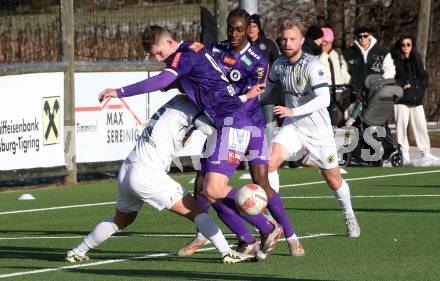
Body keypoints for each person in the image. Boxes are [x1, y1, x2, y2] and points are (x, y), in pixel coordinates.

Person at [97, 25, 282, 259]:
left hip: (233, 123)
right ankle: (247, 239)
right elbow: (202, 82)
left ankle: (268, 226)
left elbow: (162, 79)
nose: (157, 58)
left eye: (157, 53)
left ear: (169, 43)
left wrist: (119, 91)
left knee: (213, 189)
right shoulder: (192, 50)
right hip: (226, 122)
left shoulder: (184, 55)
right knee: (207, 190)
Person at [66, 95, 255, 264]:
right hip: (147, 174)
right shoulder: (191, 108)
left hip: (128, 168)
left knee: (121, 221)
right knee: (198, 212)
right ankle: (226, 252)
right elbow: (215, 129)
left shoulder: (176, 101)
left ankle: (77, 251)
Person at [178, 9, 304, 258]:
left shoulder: (258, 60)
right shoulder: (216, 50)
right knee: (203, 185)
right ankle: (213, 235)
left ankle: (290, 235)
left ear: (249, 30)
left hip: (249, 124)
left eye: (239, 30)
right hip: (220, 125)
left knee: (261, 182)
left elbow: (248, 99)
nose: (234, 34)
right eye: (230, 29)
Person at [247, 20, 361, 238]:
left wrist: (293, 111)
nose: (287, 43)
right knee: (268, 164)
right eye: (284, 39)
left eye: (292, 39)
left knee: (333, 179)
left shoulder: (313, 65)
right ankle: (271, 217)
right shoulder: (279, 64)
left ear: (301, 41)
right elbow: (267, 88)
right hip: (293, 127)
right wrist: (248, 99)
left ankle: (349, 214)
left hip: (318, 132)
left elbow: (324, 99)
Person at [391, 35, 438, 164]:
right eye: (403, 45)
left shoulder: (417, 59)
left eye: (408, 44)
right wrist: (401, 86)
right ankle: (404, 155)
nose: (406, 47)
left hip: (416, 100)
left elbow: (424, 77)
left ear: (412, 46)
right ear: (399, 46)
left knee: (421, 126)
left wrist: (421, 90)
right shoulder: (394, 61)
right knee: (401, 128)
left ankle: (425, 153)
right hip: (401, 101)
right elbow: (390, 78)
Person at [247, 14, 282, 144]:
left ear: (259, 28)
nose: (251, 29)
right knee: (249, 127)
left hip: (267, 95)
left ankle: (268, 157)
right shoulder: (241, 45)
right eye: (248, 26)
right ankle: (248, 160)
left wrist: (270, 80)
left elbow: (279, 64)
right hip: (248, 94)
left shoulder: (269, 44)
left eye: (254, 26)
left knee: (268, 126)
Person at [318, 27, 351, 126]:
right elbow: (318, 68)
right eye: (322, 42)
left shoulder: (335, 54)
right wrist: (323, 53)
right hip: (325, 90)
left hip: (338, 90)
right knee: (327, 116)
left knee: (337, 115)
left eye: (327, 42)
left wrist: (346, 81)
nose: (324, 44)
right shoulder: (318, 55)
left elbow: (341, 69)